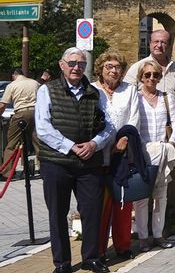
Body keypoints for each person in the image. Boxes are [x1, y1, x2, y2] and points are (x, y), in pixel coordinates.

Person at [36, 47, 115, 273]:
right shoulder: (47, 91)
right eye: (72, 63)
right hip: (57, 163)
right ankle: (62, 263)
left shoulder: (95, 92)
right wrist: (70, 147)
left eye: (81, 63)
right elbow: (43, 127)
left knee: (92, 212)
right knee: (58, 213)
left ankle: (91, 258)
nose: (76, 67)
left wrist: (94, 144)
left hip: (89, 163)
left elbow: (109, 126)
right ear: (62, 65)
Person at [122, 30, 175, 234]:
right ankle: (144, 228)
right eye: (156, 42)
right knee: (144, 185)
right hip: (144, 139)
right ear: (150, 44)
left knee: (173, 180)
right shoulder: (137, 68)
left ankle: (171, 221)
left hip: (170, 136)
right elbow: (127, 97)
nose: (160, 45)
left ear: (169, 45)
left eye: (164, 42)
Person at [93, 50, 140, 261]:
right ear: (101, 69)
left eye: (117, 67)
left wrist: (124, 140)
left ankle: (122, 245)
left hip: (121, 154)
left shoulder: (129, 90)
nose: (113, 71)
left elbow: (134, 118)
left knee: (122, 202)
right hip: (97, 155)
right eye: (108, 67)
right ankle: (99, 250)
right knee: (99, 205)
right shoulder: (92, 90)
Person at [133, 59, 175, 250]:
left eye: (155, 75)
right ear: (141, 77)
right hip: (142, 152)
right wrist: (140, 147)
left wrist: (171, 143)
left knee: (161, 195)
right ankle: (143, 236)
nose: (152, 78)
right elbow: (132, 123)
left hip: (162, 150)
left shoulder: (166, 98)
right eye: (147, 75)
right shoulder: (135, 97)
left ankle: (158, 234)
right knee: (142, 197)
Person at [1, 67, 41, 170]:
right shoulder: (35, 83)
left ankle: (7, 172)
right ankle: (44, 169)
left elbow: (3, 105)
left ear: (14, 75)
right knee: (39, 143)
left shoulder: (12, 85)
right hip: (36, 113)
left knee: (12, 144)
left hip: (21, 113)